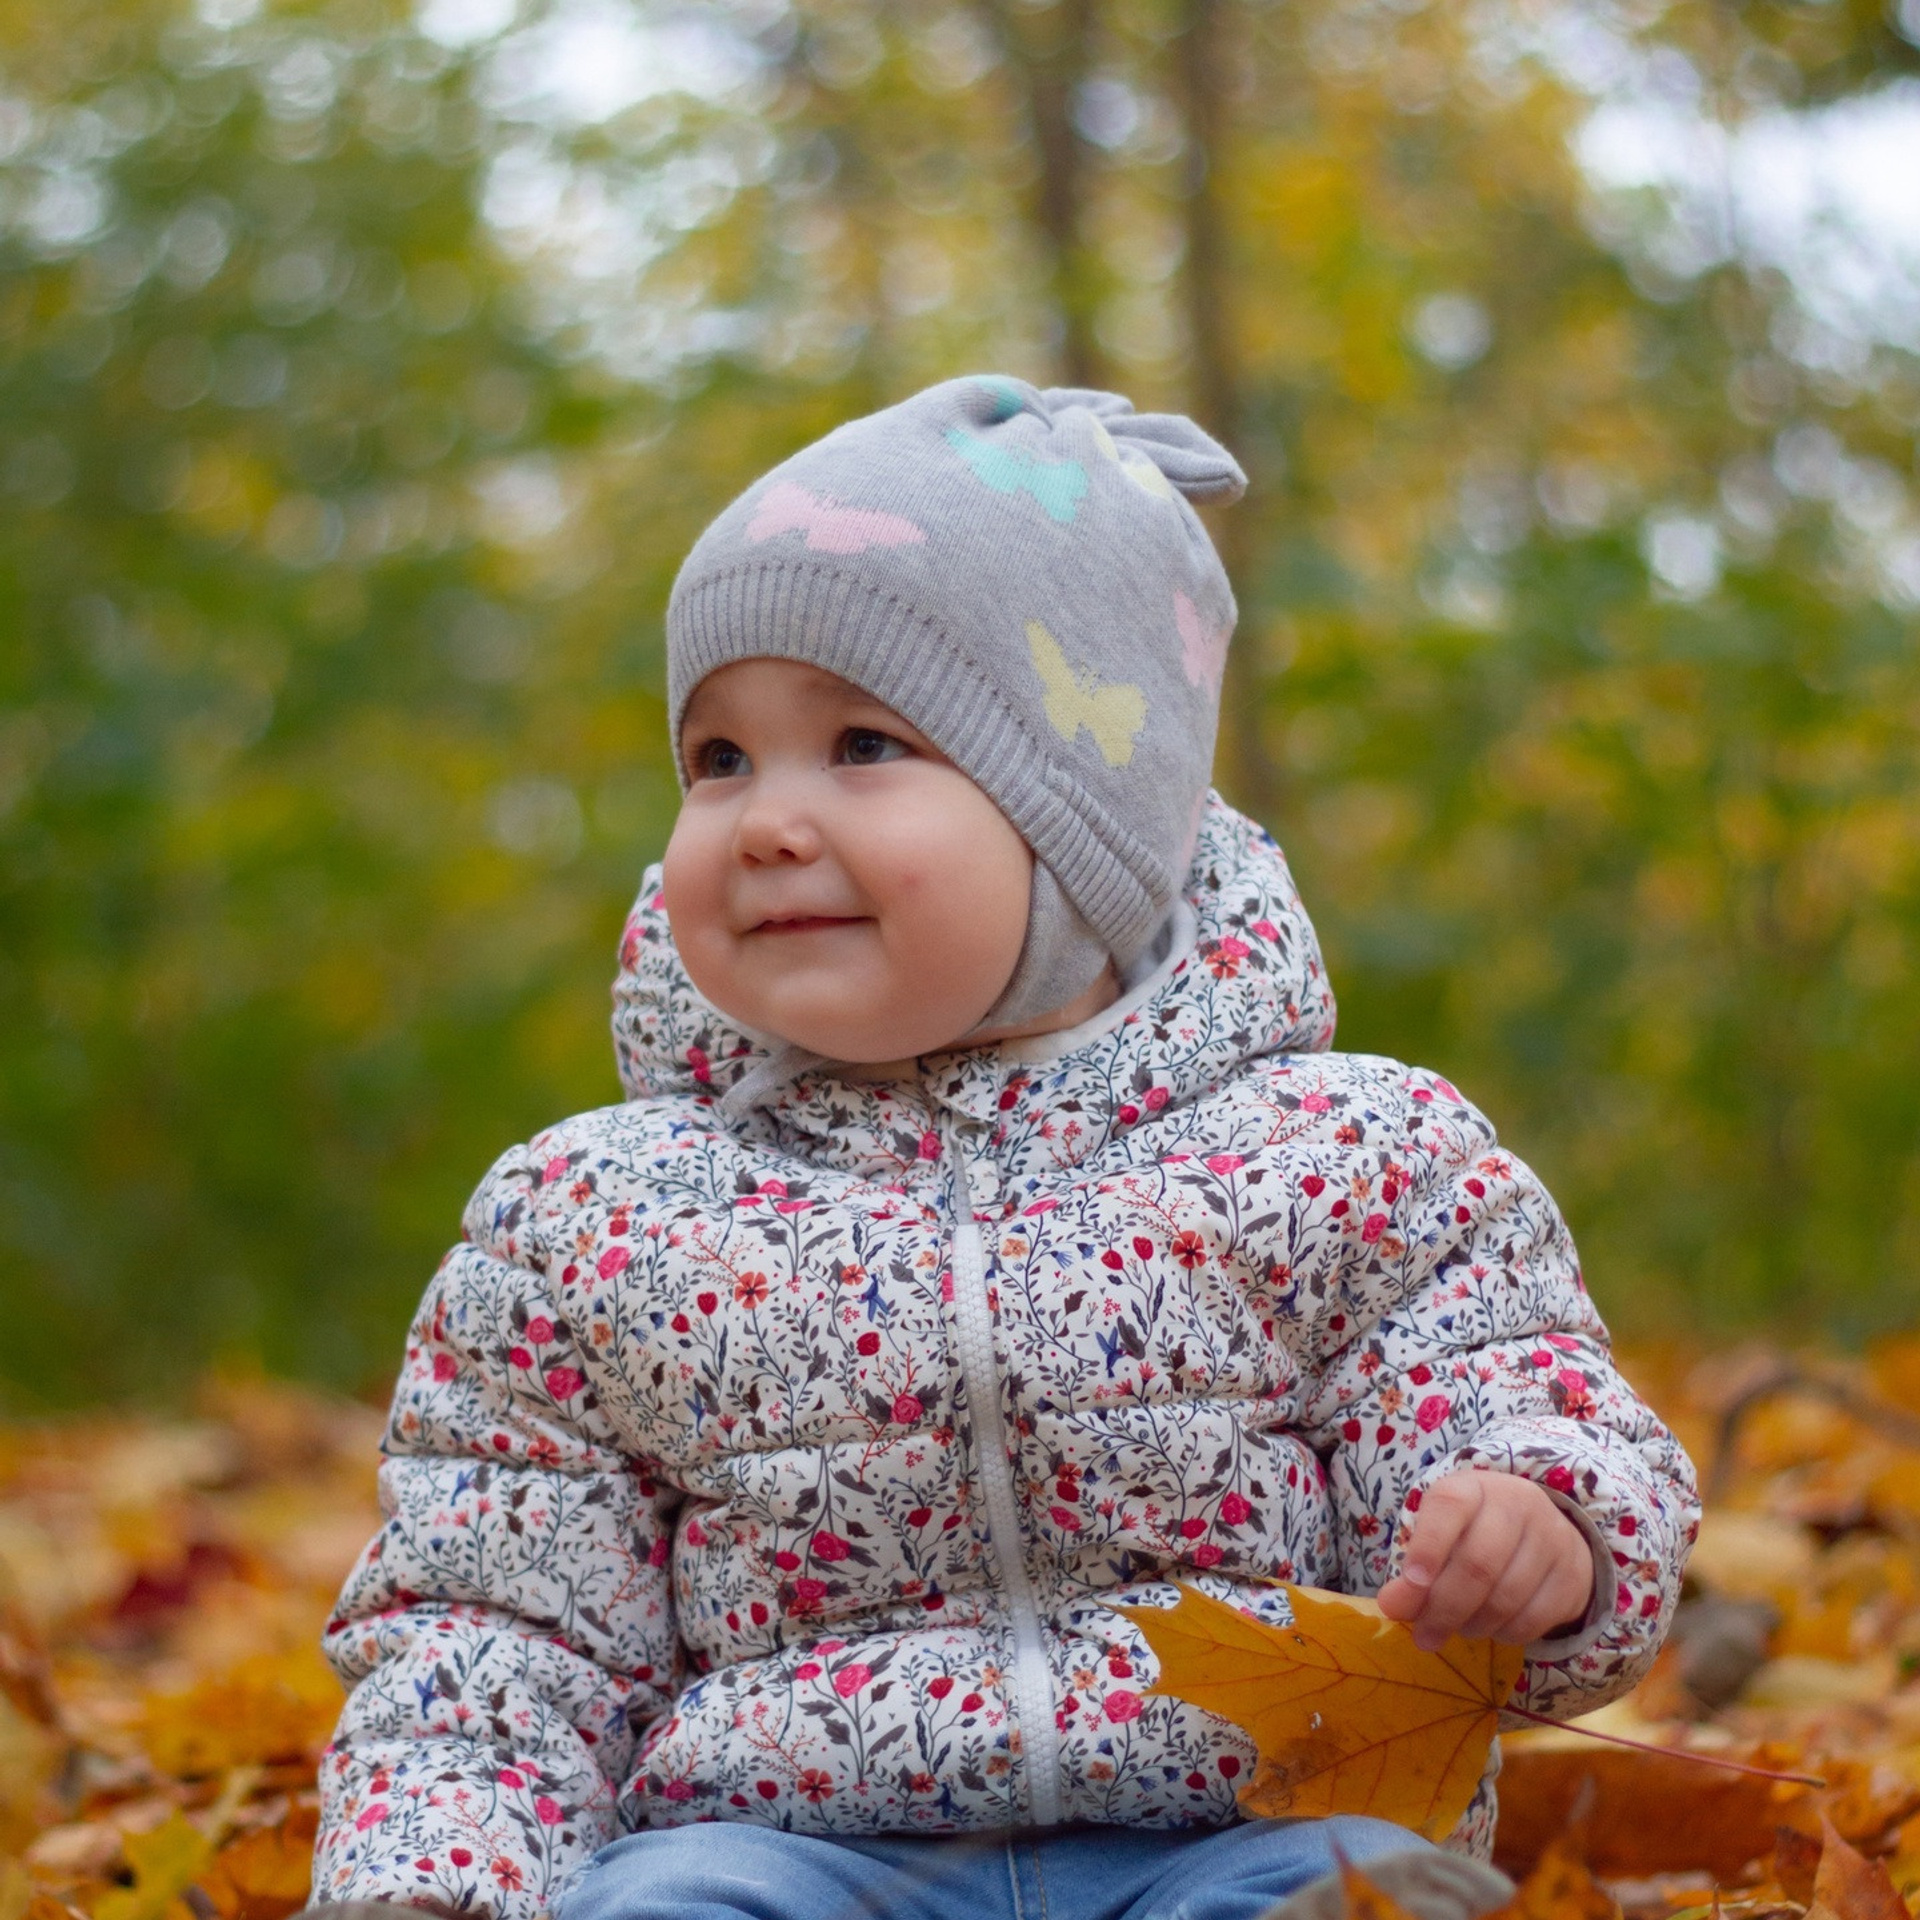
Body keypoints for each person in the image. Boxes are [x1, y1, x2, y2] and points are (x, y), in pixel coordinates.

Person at [304, 377, 1699, 1920]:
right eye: (718, 760)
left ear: (1087, 817)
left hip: (1243, 1821)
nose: (767, 820)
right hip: (794, 1853)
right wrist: (431, 1887)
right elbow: (494, 1629)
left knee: (1359, 1900)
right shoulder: (591, 1223)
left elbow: (1507, 1387)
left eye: (861, 742)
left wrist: (1542, 1527)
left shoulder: (1343, 1154)